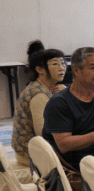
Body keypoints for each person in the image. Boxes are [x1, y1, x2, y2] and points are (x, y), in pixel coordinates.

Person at [42, 46, 94, 178]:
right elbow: (64, 144)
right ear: (76, 70)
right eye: (93, 68)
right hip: (75, 168)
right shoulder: (59, 102)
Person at [11, 41, 66, 180]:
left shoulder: (42, 88)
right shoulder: (39, 95)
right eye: (55, 64)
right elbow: (43, 133)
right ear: (40, 69)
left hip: (27, 151)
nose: (61, 68)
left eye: (63, 63)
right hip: (29, 156)